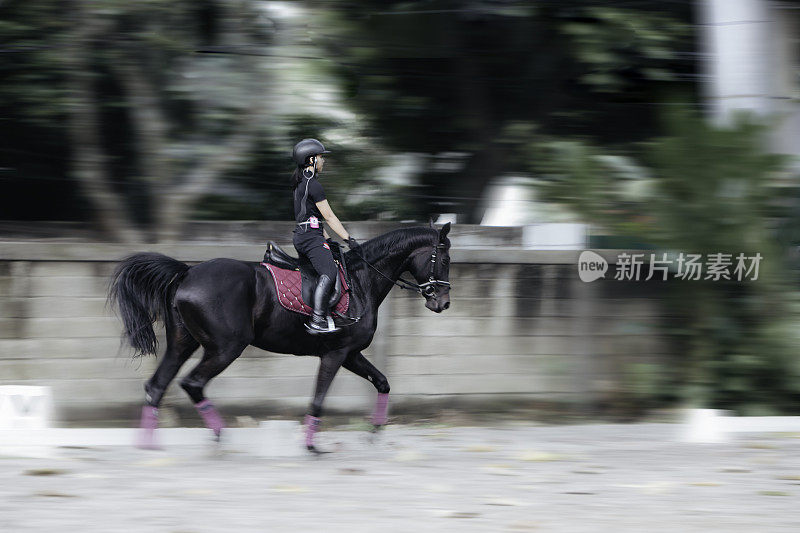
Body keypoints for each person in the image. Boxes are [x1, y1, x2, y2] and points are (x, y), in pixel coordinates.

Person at [290, 138, 359, 334]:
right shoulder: (314, 185)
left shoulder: (300, 182)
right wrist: (348, 239)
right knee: (329, 272)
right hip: (311, 239)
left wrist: (328, 240)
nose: (323, 161)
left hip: (303, 236)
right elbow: (328, 216)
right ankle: (318, 319)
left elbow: (312, 218)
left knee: (320, 270)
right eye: (320, 157)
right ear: (311, 159)